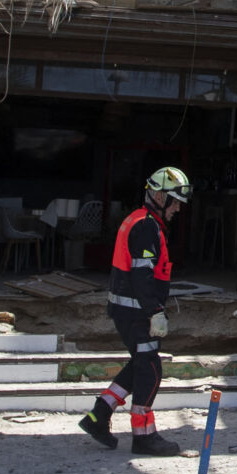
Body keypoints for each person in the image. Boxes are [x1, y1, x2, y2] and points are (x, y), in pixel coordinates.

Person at [80, 167, 191, 457]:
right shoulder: (145, 227)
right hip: (136, 312)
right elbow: (142, 276)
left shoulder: (141, 221)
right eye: (175, 201)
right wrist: (155, 311)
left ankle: (98, 415)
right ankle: (143, 436)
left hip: (128, 310)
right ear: (158, 196)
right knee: (151, 369)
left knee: (141, 364)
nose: (178, 208)